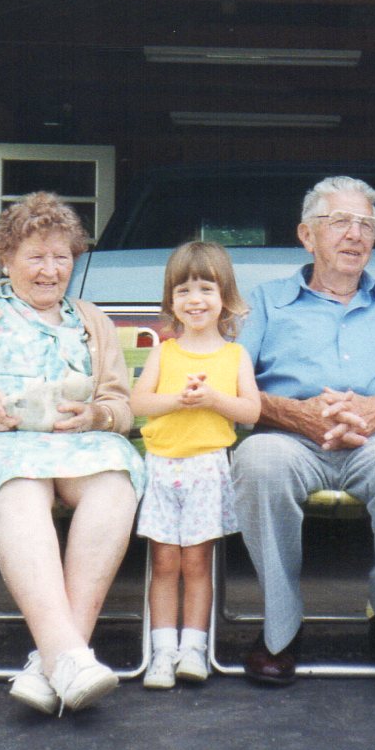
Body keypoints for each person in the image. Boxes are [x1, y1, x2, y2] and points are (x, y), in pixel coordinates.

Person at [0, 191, 144, 716]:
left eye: (61, 257)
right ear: (6, 258)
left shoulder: (91, 320)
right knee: (20, 484)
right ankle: (69, 656)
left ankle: (55, 662)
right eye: (36, 256)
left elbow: (119, 405)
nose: (49, 270)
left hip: (73, 442)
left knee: (115, 480)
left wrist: (98, 417)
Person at [232, 176, 375, 684]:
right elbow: (234, 385)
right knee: (256, 464)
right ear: (306, 234)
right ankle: (279, 631)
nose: (355, 235)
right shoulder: (268, 300)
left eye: (366, 224)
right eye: (339, 222)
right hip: (286, 438)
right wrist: (298, 415)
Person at [130, 241, 260, 689]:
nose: (195, 299)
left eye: (206, 288)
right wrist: (178, 400)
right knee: (164, 562)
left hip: (207, 468)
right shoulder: (164, 353)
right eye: (183, 290)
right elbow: (138, 402)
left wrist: (212, 399)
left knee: (197, 564)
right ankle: (162, 653)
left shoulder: (234, 355)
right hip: (163, 467)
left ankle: (194, 649)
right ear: (171, 301)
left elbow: (251, 412)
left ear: (225, 296)